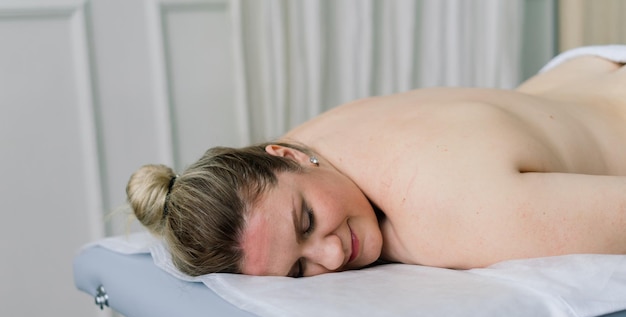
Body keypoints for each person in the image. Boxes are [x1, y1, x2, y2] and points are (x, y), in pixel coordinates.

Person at [127, 46, 626, 278]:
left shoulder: (444, 214)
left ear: (287, 156)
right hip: (581, 72)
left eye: (306, 222)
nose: (330, 256)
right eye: (298, 272)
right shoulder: (304, 144)